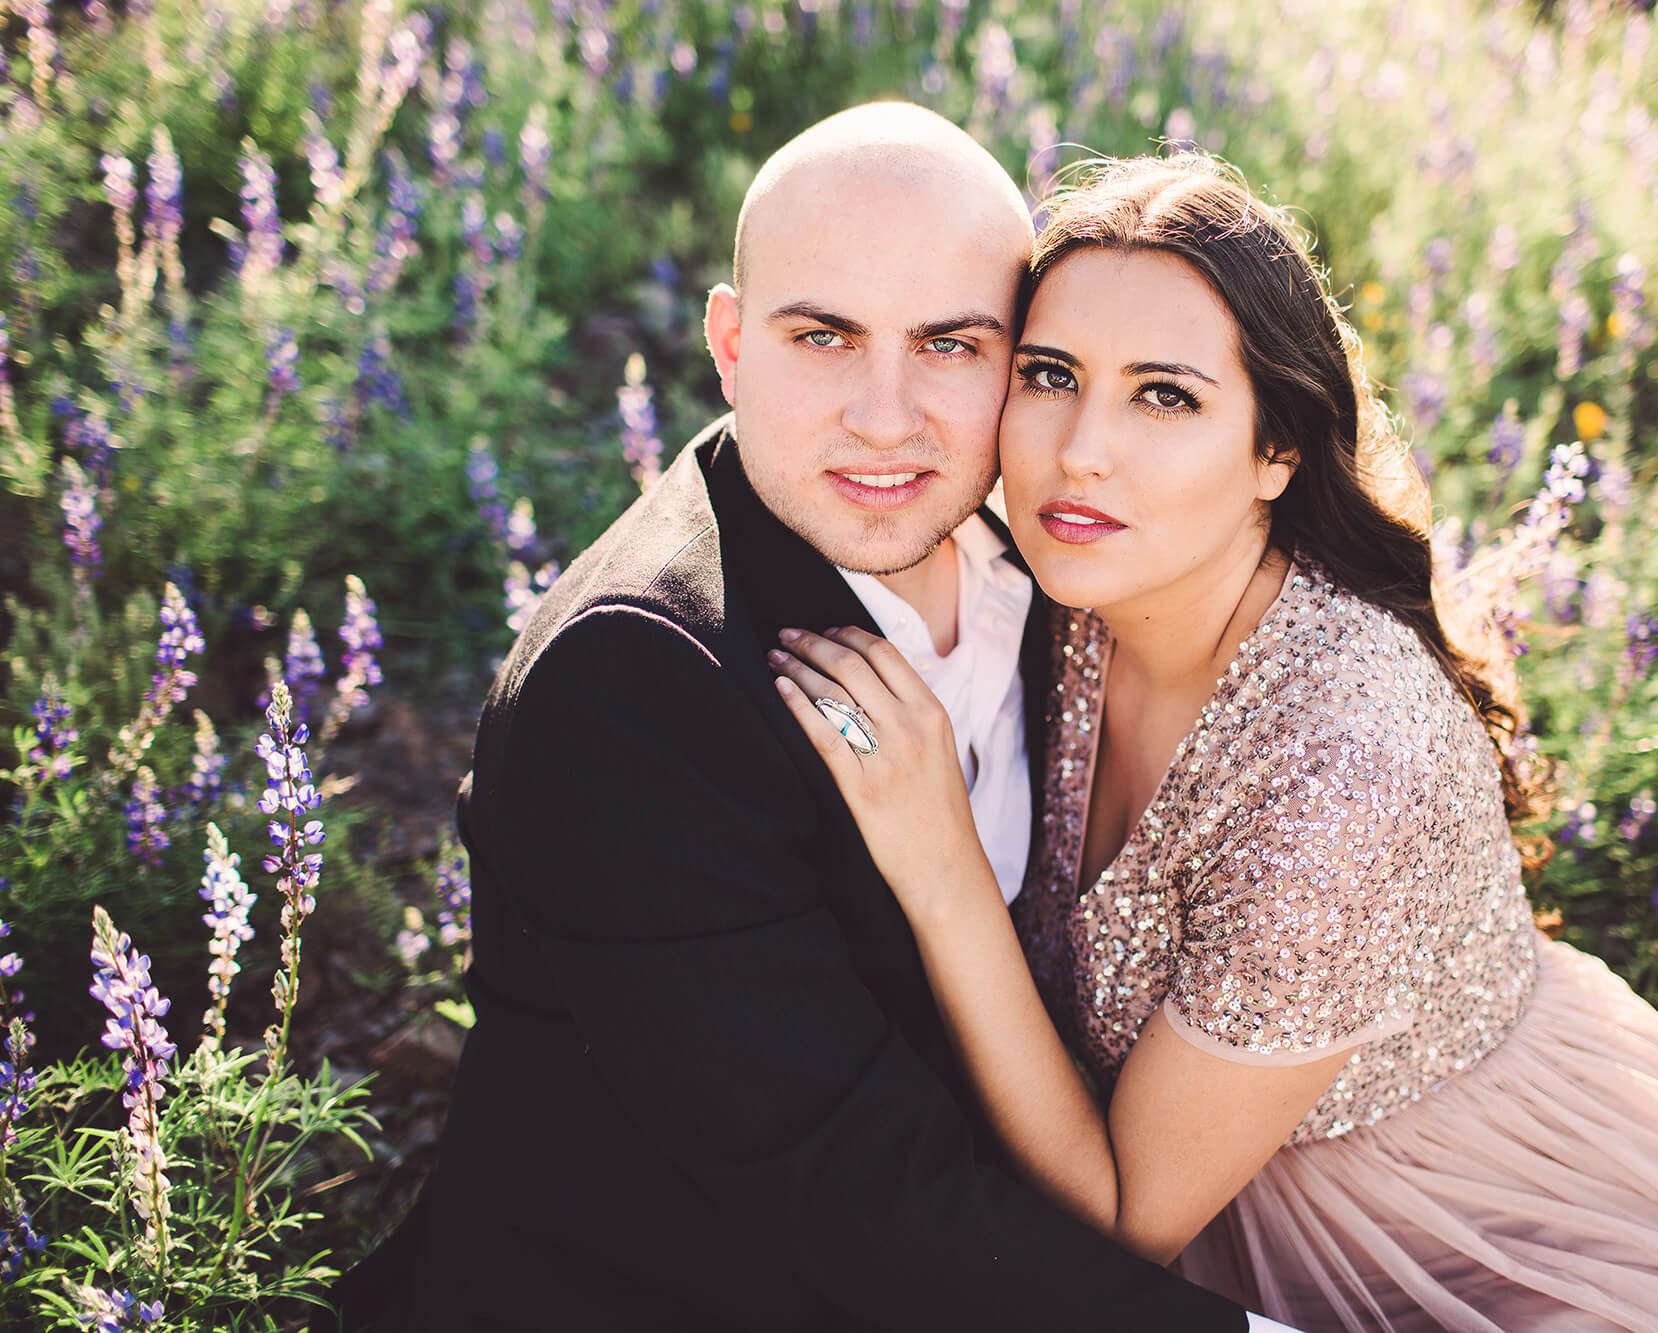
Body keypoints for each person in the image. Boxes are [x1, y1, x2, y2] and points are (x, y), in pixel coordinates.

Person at [765, 152, 1658, 1331]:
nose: (1078, 450)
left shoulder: (1343, 774)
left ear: (1275, 451)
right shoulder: (1084, 566)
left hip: (1453, 1237)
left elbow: (1118, 1222)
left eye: (1164, 395)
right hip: (1191, 1162)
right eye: (1051, 374)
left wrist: (941, 866)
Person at [330, 108, 1295, 1331]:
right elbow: (854, 1190)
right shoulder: (634, 685)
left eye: (950, 346)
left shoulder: (1036, 568)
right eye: (824, 336)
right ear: (730, 345)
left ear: (1021, 362)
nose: (885, 418)